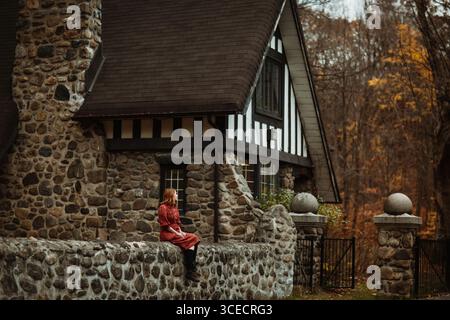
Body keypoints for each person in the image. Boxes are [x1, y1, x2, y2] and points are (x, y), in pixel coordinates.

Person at [158, 188, 201, 282]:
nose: (177, 195)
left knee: (194, 238)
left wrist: (181, 232)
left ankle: (191, 267)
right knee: (191, 241)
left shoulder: (174, 207)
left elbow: (177, 223)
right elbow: (165, 225)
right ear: (171, 195)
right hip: (168, 233)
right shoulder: (163, 207)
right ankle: (191, 270)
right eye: (175, 193)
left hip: (176, 231)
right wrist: (177, 233)